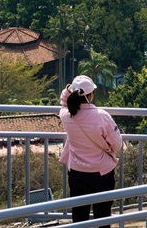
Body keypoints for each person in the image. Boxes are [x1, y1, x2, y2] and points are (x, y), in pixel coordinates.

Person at [59, 75, 122, 225]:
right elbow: (116, 144)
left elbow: (63, 102)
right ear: (91, 95)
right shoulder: (102, 116)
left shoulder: (66, 114)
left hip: (76, 171)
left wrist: (69, 89)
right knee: (103, 214)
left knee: (79, 215)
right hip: (102, 172)